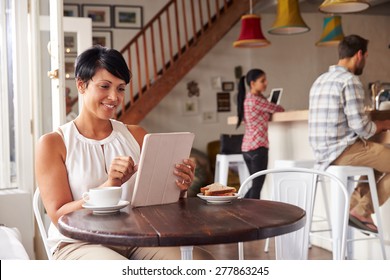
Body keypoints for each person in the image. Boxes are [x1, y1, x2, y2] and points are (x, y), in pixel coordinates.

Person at [35, 45, 214, 260]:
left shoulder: (137, 135)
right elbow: (58, 215)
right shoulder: (53, 143)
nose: (114, 97)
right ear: (81, 85)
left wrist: (180, 188)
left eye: (120, 88)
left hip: (137, 238)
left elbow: (157, 204)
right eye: (104, 86)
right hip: (78, 243)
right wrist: (109, 185)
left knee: (199, 263)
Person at [309, 34, 390, 233]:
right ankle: (362, 211)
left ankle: (353, 208)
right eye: (367, 56)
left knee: (378, 163)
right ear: (359, 54)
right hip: (341, 151)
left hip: (323, 154)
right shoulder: (349, 81)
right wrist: (383, 124)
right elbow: (361, 127)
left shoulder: (320, 80)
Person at [236, 69, 284, 199]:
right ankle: (248, 215)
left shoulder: (248, 99)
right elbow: (278, 109)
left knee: (255, 185)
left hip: (247, 148)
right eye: (262, 81)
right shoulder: (257, 100)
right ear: (252, 83)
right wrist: (270, 103)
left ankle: (238, 209)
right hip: (258, 148)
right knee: (256, 187)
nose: (266, 83)